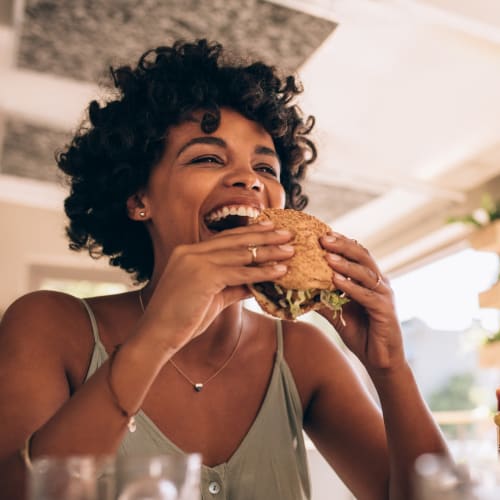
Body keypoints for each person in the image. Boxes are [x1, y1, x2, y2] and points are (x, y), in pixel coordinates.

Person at [0, 39, 449, 499]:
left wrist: (390, 365)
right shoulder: (49, 325)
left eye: (266, 167)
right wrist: (155, 339)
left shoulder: (303, 353)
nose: (249, 179)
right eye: (208, 158)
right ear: (138, 200)